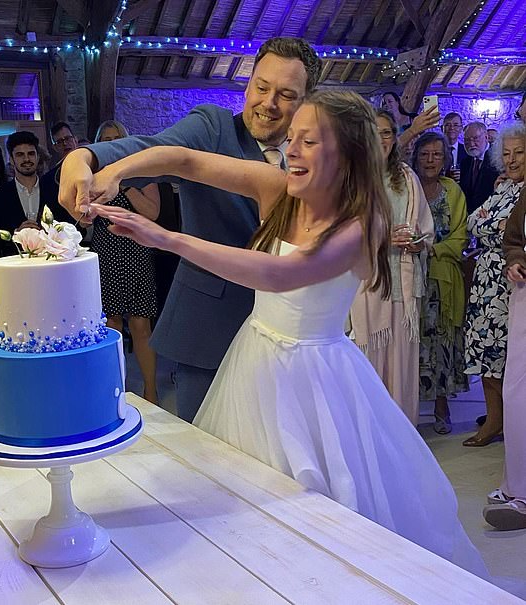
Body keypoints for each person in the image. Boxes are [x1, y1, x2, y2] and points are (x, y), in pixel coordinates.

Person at [83, 90, 489, 578]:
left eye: (308, 141)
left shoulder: (364, 221)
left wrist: (164, 238)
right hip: (254, 357)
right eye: (291, 138)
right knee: (245, 501)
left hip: (317, 378)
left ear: (348, 155)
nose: (290, 150)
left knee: (317, 507)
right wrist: (113, 170)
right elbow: (187, 160)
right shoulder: (277, 188)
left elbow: (280, 274)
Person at [59, 37, 322, 422]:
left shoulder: (317, 157)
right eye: (261, 87)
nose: (268, 103)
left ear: (306, 101)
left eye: (285, 94)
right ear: (248, 85)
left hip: (288, 335)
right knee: (210, 457)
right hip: (209, 328)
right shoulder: (213, 128)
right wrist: (85, 157)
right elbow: (157, 148)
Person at [350, 109, 433, 426]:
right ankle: (372, 435)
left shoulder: (408, 178)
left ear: (395, 137)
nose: (381, 138)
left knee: (402, 366)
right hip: (369, 285)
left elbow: (425, 228)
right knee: (371, 363)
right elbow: (341, 232)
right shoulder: (352, 177)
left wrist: (417, 242)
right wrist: (383, 240)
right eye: (374, 131)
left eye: (386, 132)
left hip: (404, 286)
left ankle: (402, 435)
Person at [463, 122, 525, 447]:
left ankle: (513, 427)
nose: (512, 160)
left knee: (509, 359)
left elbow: (507, 233)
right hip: (485, 281)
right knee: (485, 354)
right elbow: (473, 220)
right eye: (506, 154)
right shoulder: (502, 187)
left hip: (511, 285)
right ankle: (493, 422)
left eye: (519, 153)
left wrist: (492, 225)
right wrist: (491, 224)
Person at [91, 120, 161, 403]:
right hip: (105, 251)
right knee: (112, 324)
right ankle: (114, 389)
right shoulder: (94, 175)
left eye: (116, 138)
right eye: (105, 138)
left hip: (136, 251)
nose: (111, 142)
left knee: (141, 324)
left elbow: (153, 213)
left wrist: (125, 182)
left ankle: (151, 392)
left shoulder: (142, 172)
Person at [412, 132, 469, 434]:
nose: (431, 160)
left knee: (443, 342)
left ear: (445, 159)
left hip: (443, 279)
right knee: (413, 342)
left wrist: (433, 249)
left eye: (436, 155)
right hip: (410, 276)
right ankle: (407, 407)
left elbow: (461, 235)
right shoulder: (406, 187)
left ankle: (441, 406)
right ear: (416, 158)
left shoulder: (453, 191)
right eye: (425, 154)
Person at [484, 184, 526, 529]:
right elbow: (513, 239)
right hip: (525, 294)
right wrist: (516, 262)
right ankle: (518, 488)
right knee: (517, 388)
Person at [460, 122, 500, 213]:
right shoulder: (465, 163)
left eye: (475, 138)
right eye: (467, 140)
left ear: (486, 137)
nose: (471, 144)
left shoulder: (498, 159)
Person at [442, 112, 467, 176]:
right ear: (442, 128)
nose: (452, 128)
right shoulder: (436, 150)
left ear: (461, 128)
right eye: (447, 125)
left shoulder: (467, 151)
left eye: (455, 125)